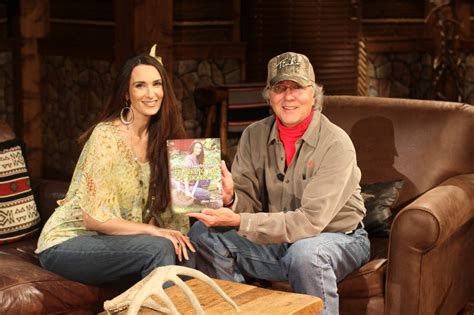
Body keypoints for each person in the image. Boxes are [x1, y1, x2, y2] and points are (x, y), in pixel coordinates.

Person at [187, 52, 370, 314]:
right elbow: (248, 203)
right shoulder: (254, 135)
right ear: (269, 95)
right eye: (280, 88)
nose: (288, 96)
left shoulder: (336, 144)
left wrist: (240, 221)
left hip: (337, 238)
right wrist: (230, 199)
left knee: (306, 254)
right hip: (278, 239)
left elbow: (309, 223)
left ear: (314, 94)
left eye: (297, 87)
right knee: (202, 235)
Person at [35, 52, 195, 286]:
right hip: (68, 242)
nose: (151, 94)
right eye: (140, 86)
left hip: (113, 242)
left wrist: (224, 196)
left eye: (156, 84)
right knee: (159, 247)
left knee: (187, 248)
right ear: (126, 94)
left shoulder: (165, 139)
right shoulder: (106, 136)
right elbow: (93, 220)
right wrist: (152, 231)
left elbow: (188, 208)